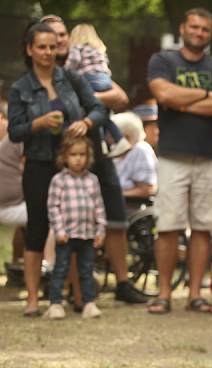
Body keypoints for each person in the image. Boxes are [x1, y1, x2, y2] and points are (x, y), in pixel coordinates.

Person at [40, 14, 146, 305]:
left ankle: (122, 283)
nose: (59, 40)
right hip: (63, 155)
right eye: (52, 35)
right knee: (72, 222)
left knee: (115, 218)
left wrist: (86, 99)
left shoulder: (82, 67)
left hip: (98, 151)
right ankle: (77, 293)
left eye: (63, 34)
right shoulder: (45, 73)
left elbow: (120, 97)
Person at [8, 22, 107, 316]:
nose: (48, 52)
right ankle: (33, 300)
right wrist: (37, 124)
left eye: (52, 46)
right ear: (30, 49)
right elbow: (14, 131)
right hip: (38, 165)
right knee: (37, 230)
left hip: (74, 166)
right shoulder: (20, 88)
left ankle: (78, 296)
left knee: (78, 229)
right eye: (41, 47)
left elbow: (98, 109)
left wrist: (86, 123)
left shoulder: (72, 79)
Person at [146, 7, 212, 314]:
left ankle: (195, 294)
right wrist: (204, 93)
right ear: (183, 28)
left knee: (203, 227)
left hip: (211, 156)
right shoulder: (163, 60)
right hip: (172, 155)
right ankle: (163, 294)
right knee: (168, 226)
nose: (199, 33)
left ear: (209, 34)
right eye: (194, 27)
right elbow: (163, 93)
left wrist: (183, 103)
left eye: (205, 29)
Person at [45, 136, 105, 320]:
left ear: (88, 157)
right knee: (60, 269)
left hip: (87, 235)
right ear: (64, 157)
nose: (78, 158)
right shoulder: (59, 180)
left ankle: (89, 303)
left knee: (86, 270)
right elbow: (53, 206)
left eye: (82, 154)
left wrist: (101, 229)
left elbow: (99, 206)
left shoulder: (93, 180)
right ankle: (55, 304)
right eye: (73, 154)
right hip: (66, 235)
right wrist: (59, 230)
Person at [65, 23, 129, 157]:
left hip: (90, 80)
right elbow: (105, 67)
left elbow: (74, 61)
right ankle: (109, 143)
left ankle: (108, 141)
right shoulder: (98, 49)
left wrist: (67, 70)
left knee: (93, 110)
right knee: (102, 113)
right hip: (104, 80)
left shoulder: (78, 47)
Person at [110, 111, 157, 208]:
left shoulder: (141, 149)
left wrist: (115, 195)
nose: (108, 136)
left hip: (134, 207)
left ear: (126, 135)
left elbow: (147, 190)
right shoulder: (114, 149)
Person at [0, 106, 26, 265]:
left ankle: (19, 264)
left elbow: (27, 168)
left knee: (43, 217)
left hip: (17, 205)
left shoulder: (16, 138)